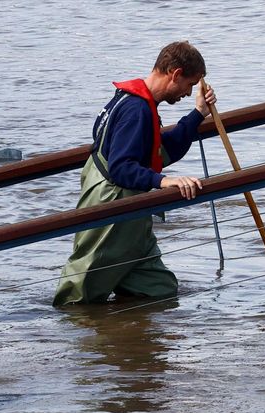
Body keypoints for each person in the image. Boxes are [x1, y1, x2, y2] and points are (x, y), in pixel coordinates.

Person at [54, 41, 216, 306]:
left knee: (158, 288)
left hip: (133, 219)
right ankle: (64, 339)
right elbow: (120, 167)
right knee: (78, 296)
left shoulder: (134, 102)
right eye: (189, 84)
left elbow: (160, 151)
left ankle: (127, 336)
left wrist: (199, 113)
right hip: (113, 209)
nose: (188, 93)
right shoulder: (136, 110)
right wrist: (164, 181)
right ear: (175, 74)